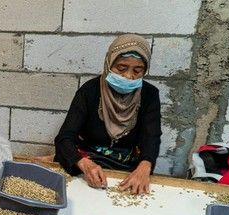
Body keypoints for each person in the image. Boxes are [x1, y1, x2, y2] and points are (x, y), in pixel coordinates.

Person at [54, 34, 161, 194]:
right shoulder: (89, 91)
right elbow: (64, 138)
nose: (128, 76)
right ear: (109, 63)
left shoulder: (149, 95)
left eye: (137, 70)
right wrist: (81, 163)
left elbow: (151, 138)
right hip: (89, 163)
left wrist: (145, 165)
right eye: (121, 68)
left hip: (127, 168)